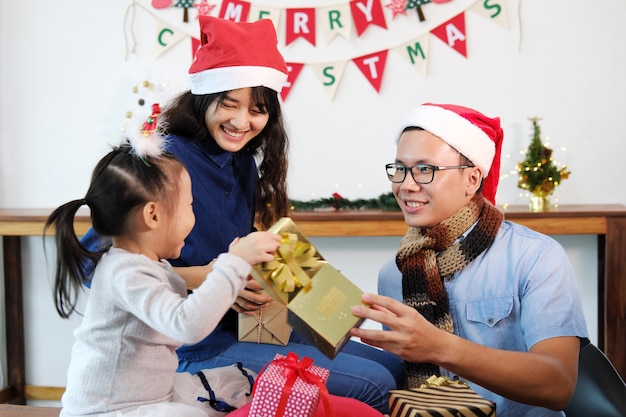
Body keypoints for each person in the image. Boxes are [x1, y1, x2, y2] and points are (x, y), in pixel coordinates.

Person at [80, 16, 404, 413]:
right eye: (229, 104)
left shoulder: (243, 165)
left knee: (394, 366)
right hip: (190, 344)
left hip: (250, 328)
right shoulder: (165, 164)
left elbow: (255, 247)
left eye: (257, 110)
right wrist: (210, 277)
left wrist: (333, 309)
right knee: (375, 385)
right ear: (203, 98)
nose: (241, 121)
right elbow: (93, 266)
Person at [349, 103, 589, 416]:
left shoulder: (536, 257)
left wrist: (439, 347)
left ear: (473, 179)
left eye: (425, 169)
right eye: (400, 169)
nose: (406, 185)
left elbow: (557, 385)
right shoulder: (396, 273)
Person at [45, 120, 282, 416]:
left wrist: (229, 267)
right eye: (189, 206)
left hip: (152, 393)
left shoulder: (147, 265)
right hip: (109, 410)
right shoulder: (126, 273)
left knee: (236, 380)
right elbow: (188, 324)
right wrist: (234, 264)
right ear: (153, 215)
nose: (193, 218)